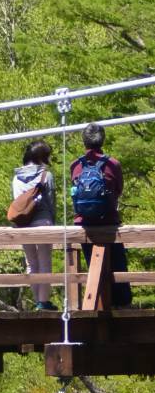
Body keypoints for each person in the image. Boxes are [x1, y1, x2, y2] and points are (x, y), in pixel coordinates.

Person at [71, 122, 132, 306]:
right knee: (118, 267)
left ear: (84, 142)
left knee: (93, 271)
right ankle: (122, 304)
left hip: (86, 227)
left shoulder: (76, 165)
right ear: (102, 140)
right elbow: (119, 189)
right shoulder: (112, 164)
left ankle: (99, 304)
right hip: (109, 223)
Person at [11, 139, 57, 310]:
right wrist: (53, 221)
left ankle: (38, 299)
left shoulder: (16, 178)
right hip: (43, 222)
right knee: (45, 262)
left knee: (31, 263)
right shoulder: (46, 175)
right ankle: (43, 302)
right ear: (42, 157)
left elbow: (17, 202)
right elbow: (51, 202)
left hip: (23, 225)